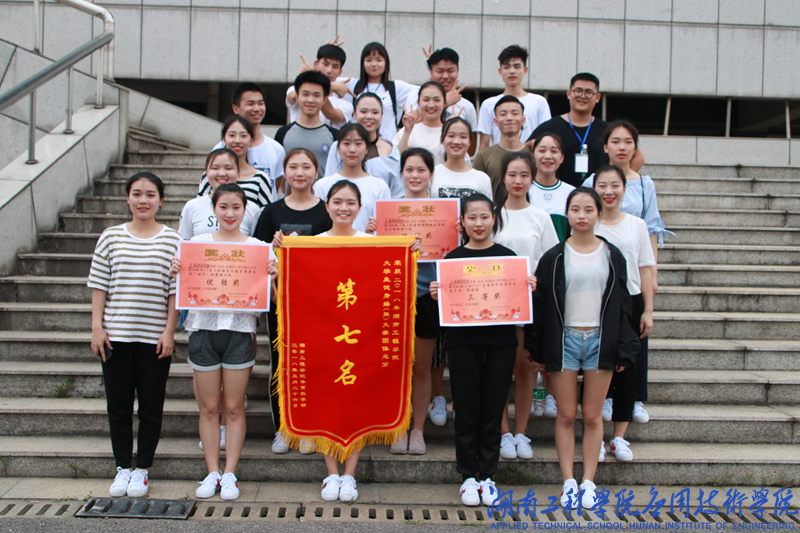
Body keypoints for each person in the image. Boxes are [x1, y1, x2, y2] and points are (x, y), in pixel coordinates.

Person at [525, 187, 639, 510]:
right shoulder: (554, 257)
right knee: (566, 414)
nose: (582, 215)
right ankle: (568, 481)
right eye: (575, 209)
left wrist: (624, 347)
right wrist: (537, 349)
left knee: (591, 415)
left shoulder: (612, 255)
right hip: (564, 341)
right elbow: (541, 304)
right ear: (567, 214)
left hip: (601, 341)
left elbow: (624, 305)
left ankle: (589, 481)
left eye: (589, 209)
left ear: (598, 214)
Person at [310, 180, 419, 500]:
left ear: (359, 208)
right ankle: (331, 474)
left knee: (355, 403)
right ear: (326, 206)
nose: (343, 208)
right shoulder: (312, 244)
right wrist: (281, 255)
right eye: (337, 201)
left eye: (350, 202)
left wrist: (410, 252)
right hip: (325, 338)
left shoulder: (373, 243)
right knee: (327, 401)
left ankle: (350, 474)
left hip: (361, 340)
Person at [429, 193, 537, 507]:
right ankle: (467, 476)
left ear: (493, 219)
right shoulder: (451, 260)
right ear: (461, 222)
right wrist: (437, 295)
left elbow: (518, 302)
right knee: (466, 408)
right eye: (472, 217)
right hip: (462, 343)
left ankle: (488, 475)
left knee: (493, 407)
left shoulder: (509, 258)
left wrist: (527, 288)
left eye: (484, 217)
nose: (478, 223)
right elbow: (445, 309)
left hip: (501, 342)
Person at [171, 184, 276, 501]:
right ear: (213, 209)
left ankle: (230, 472)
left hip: (239, 333)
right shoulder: (196, 245)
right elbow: (183, 287)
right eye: (223, 207)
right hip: (202, 330)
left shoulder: (258, 248)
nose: (230, 213)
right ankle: (212, 471)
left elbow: (272, 300)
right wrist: (177, 271)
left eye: (236, 207)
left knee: (233, 407)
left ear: (245, 210)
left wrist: (273, 277)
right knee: (208, 408)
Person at [88, 172, 180, 498]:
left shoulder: (173, 240)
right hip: (116, 335)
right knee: (119, 406)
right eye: (137, 194)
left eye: (150, 194)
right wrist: (97, 327)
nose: (143, 200)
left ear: (161, 200)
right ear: (127, 198)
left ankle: (142, 468)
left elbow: (175, 291)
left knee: (151, 406)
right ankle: (122, 468)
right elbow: (99, 284)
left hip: (154, 338)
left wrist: (169, 331)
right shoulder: (111, 237)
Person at [583, 119, 670, 424]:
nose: (622, 147)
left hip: (634, 270)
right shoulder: (592, 181)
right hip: (599, 278)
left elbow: (652, 229)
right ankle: (605, 398)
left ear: (635, 147)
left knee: (635, 342)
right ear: (605, 147)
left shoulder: (644, 184)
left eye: (628, 142)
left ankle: (634, 399)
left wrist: (652, 272)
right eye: (616, 141)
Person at [253, 148, 333, 455]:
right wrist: (274, 253)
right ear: (284, 172)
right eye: (293, 167)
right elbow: (257, 257)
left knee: (315, 364)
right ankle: (283, 429)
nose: (300, 172)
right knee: (282, 364)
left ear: (316, 172)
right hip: (281, 303)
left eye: (306, 166)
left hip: (318, 303)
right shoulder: (271, 212)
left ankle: (310, 426)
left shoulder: (326, 211)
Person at [491, 153, 559, 460]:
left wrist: (537, 282)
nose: (517, 181)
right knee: (498, 371)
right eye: (512, 175)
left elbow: (551, 262)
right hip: (493, 306)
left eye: (524, 175)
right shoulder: (492, 215)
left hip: (527, 305)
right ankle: (504, 433)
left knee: (524, 369)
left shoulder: (541, 217)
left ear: (532, 179)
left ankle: (521, 432)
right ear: (503, 177)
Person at [593, 165, 655, 463]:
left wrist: (648, 309)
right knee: (595, 370)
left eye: (615, 185)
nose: (609, 191)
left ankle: (619, 437)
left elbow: (645, 268)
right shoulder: (588, 223)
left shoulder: (637, 225)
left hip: (631, 302)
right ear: (594, 189)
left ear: (624, 189)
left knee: (628, 372)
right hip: (596, 303)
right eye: (602, 185)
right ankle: (595, 436)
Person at [390, 148, 439, 456]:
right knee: (396, 367)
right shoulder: (390, 210)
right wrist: (375, 233)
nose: (415, 175)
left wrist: (455, 234)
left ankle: (418, 429)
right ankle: (397, 426)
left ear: (430, 174)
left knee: (421, 368)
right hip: (395, 296)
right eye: (409, 169)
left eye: (421, 169)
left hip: (428, 297)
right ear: (402, 174)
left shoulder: (444, 212)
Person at [526, 73, 644, 188]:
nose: (583, 96)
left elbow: (638, 157)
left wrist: (618, 182)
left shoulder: (607, 130)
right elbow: (525, 150)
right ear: (569, 94)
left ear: (597, 97)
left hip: (599, 196)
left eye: (589, 92)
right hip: (560, 194)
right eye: (578, 91)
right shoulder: (549, 128)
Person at [313, 123, 390, 233]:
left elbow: (385, 229)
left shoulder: (379, 186)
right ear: (338, 148)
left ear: (367, 148)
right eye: (346, 143)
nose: (352, 149)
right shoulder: (322, 186)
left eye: (358, 143)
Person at [212, 83, 285, 196]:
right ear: (236, 109)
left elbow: (274, 188)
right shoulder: (220, 149)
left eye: (260, 103)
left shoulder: (276, 149)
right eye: (250, 103)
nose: (257, 108)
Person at [325, 93, 403, 198]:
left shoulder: (391, 150)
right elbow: (329, 182)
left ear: (382, 115)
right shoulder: (338, 146)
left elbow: (397, 192)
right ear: (354, 114)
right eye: (363, 111)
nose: (369, 116)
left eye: (375, 112)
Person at [477, 45, 551, 150]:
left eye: (517, 67)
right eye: (506, 67)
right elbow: (484, 145)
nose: (512, 71)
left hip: (529, 158)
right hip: (499, 159)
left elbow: (544, 139)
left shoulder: (539, 102)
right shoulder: (488, 104)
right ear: (500, 71)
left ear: (525, 70)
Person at [181, 148, 262, 240]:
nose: (222, 174)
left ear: (238, 171)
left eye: (228, 168)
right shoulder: (192, 206)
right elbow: (184, 242)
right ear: (206, 173)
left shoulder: (252, 209)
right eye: (215, 168)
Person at [346, 42, 419, 141]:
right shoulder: (352, 85)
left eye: (379, 60)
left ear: (386, 63)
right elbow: (327, 83)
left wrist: (412, 110)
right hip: (358, 144)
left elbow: (422, 91)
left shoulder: (395, 87)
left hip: (388, 145)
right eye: (369, 60)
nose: (374, 64)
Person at [275, 71, 339, 181]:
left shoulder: (335, 135)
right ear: (297, 96)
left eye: (316, 95)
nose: (310, 100)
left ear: (324, 99)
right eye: (305, 94)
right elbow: (278, 174)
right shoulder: (283, 133)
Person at [411, 46, 478, 151]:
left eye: (450, 71)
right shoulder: (415, 96)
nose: (445, 76)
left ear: (458, 71)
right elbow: (410, 125)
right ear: (431, 71)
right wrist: (446, 102)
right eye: (440, 71)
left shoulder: (467, 106)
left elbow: (471, 149)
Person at [200, 118, 274, 208]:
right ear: (224, 139)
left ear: (251, 140)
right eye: (232, 135)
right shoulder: (211, 175)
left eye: (243, 136)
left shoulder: (260, 178)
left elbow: (266, 213)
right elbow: (200, 206)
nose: (237, 141)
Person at [472, 95, 532, 197]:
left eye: (515, 113)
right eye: (503, 114)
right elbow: (476, 191)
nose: (509, 118)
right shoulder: (484, 156)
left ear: (523, 120)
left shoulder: (533, 155)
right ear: (495, 121)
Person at [285, 43, 353, 128]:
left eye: (335, 66)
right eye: (325, 64)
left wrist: (321, 83)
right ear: (316, 64)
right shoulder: (295, 89)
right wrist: (312, 78)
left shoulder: (346, 105)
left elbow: (330, 114)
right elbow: (291, 97)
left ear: (340, 72)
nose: (329, 70)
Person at [431, 118, 492, 200]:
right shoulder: (431, 175)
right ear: (442, 140)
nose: (457, 141)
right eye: (451, 136)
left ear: (470, 142)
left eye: (463, 137)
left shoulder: (482, 179)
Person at [530, 132, 575, 241]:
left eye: (554, 151)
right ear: (533, 156)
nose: (547, 156)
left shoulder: (571, 193)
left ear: (562, 157)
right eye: (542, 150)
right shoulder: (524, 191)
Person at [394, 82, 447, 166]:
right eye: (426, 100)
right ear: (418, 103)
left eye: (437, 100)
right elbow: (396, 159)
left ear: (444, 103)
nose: (431, 105)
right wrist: (407, 132)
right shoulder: (407, 130)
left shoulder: (449, 132)